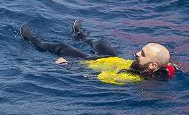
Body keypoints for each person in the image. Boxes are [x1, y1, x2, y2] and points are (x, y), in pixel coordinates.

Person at [20, 21, 176, 84]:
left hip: (92, 61)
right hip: (111, 58)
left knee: (61, 47)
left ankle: (32, 39)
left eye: (142, 54)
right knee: (100, 42)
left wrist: (67, 65)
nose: (136, 53)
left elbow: (93, 76)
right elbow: (168, 66)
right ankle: (79, 34)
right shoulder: (158, 69)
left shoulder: (128, 77)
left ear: (152, 66)